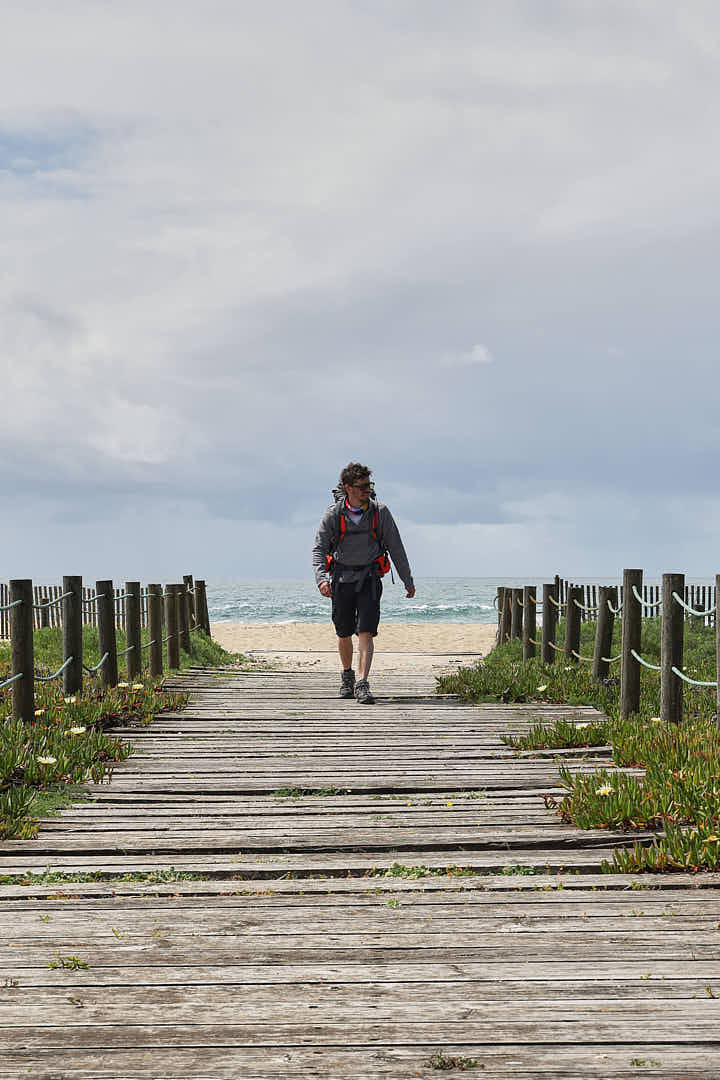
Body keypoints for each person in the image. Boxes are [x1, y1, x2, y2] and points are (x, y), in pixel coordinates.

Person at [312, 462, 415, 704]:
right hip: (340, 579)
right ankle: (347, 675)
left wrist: (407, 580)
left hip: (369, 579)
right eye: (361, 486)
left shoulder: (381, 513)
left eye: (369, 485)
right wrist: (321, 580)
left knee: (366, 631)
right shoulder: (333, 515)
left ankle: (362, 683)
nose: (367, 490)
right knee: (344, 631)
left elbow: (397, 548)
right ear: (348, 488)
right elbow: (319, 550)